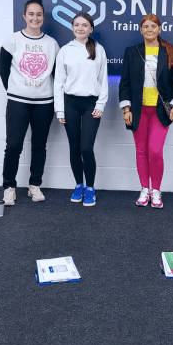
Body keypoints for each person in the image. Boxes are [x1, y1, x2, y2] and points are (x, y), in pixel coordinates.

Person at [0, 0, 59, 206]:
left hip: (44, 104)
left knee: (39, 146)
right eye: (31, 14)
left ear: (43, 17)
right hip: (18, 102)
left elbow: (56, 75)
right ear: (24, 16)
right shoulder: (12, 40)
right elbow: (4, 71)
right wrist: (18, 90)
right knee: (13, 146)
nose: (35, 18)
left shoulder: (52, 44)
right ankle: (9, 187)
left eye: (39, 14)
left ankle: (34, 185)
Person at [119, 13, 173, 209]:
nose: (149, 30)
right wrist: (126, 109)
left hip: (160, 110)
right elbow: (125, 83)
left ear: (159, 29)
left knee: (155, 151)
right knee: (141, 151)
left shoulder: (171, 52)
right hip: (138, 110)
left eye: (153, 26)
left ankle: (156, 190)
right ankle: (144, 189)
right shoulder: (132, 52)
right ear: (141, 30)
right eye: (145, 26)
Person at [54, 12, 108, 207]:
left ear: (91, 28)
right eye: (77, 24)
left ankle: (90, 188)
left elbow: (103, 80)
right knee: (75, 147)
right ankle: (79, 185)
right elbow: (59, 83)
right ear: (72, 27)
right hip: (70, 104)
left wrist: (100, 104)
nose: (80, 28)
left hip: (91, 104)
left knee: (86, 148)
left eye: (84, 25)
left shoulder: (98, 49)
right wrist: (60, 110)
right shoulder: (65, 51)